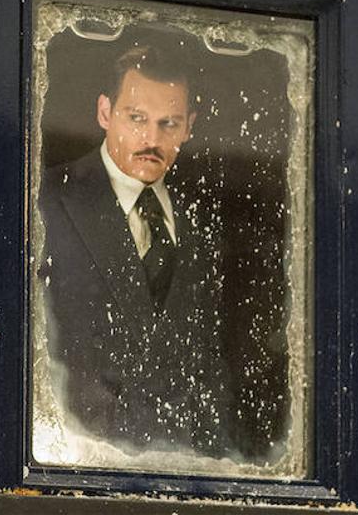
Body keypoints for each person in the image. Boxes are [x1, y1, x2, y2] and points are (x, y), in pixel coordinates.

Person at [37, 40, 230, 456]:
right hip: (70, 469)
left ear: (190, 126)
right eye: (136, 118)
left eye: (169, 123)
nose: (152, 139)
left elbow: (213, 371)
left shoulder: (201, 224)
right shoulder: (46, 200)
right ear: (105, 112)